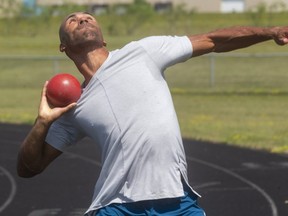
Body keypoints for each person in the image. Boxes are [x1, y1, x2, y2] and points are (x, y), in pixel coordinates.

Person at [17, 11, 288, 216]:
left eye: (88, 17)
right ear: (63, 46)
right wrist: (42, 122)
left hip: (178, 201)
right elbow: (29, 168)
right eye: (72, 20)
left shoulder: (142, 52)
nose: (83, 20)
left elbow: (213, 40)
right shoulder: (74, 106)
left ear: (103, 36)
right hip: (116, 206)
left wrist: (270, 31)